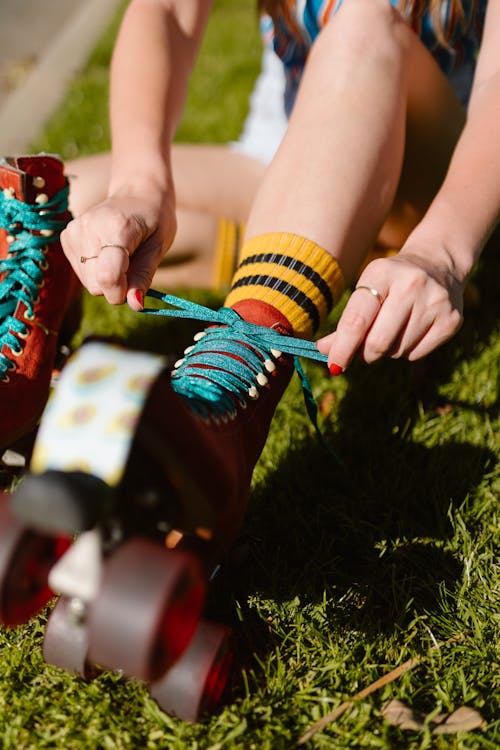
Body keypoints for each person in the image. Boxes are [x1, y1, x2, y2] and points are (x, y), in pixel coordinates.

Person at [1, 1, 497, 544]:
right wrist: (141, 182)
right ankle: (19, 382)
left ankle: (223, 413)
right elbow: (166, 10)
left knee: (363, 17)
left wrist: (442, 250)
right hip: (281, 167)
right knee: (54, 204)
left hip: (438, 184)